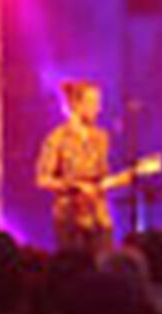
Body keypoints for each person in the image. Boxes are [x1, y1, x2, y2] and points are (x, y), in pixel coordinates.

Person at [36, 80, 114, 254]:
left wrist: (129, 175)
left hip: (99, 218)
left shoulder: (101, 137)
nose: (98, 108)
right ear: (77, 105)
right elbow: (42, 179)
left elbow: (103, 177)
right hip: (70, 219)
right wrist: (74, 186)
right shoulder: (57, 138)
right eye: (93, 103)